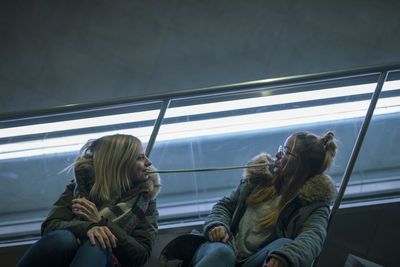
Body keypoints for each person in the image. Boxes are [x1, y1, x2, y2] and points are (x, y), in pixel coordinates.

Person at [159, 131, 337, 267]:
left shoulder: (315, 204)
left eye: (286, 152)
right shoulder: (259, 179)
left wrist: (286, 257)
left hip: (256, 261)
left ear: (301, 164)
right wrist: (218, 225)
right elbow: (224, 206)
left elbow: (313, 237)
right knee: (222, 254)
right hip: (225, 246)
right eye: (280, 149)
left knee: (284, 245)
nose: (277, 155)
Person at [17, 134, 161, 267]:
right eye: (140, 157)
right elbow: (50, 226)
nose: (149, 162)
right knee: (63, 239)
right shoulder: (79, 187)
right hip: (68, 256)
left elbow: (140, 255)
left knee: (96, 246)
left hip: (107, 260)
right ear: (120, 164)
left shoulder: (145, 200)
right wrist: (89, 228)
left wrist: (101, 222)